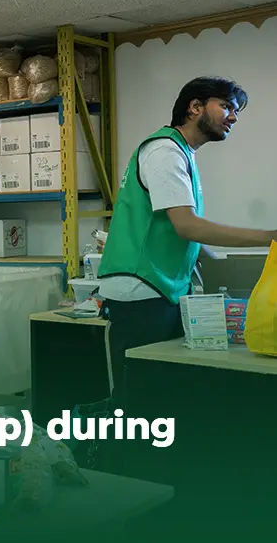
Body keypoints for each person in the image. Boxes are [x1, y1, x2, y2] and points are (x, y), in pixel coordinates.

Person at [97, 76, 277, 409]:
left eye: (236, 111)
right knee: (139, 399)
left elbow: (182, 232)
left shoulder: (182, 153)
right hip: (141, 291)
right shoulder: (164, 151)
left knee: (161, 394)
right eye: (226, 106)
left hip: (160, 289)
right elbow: (187, 226)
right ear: (195, 107)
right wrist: (270, 238)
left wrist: (225, 269)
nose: (233, 117)